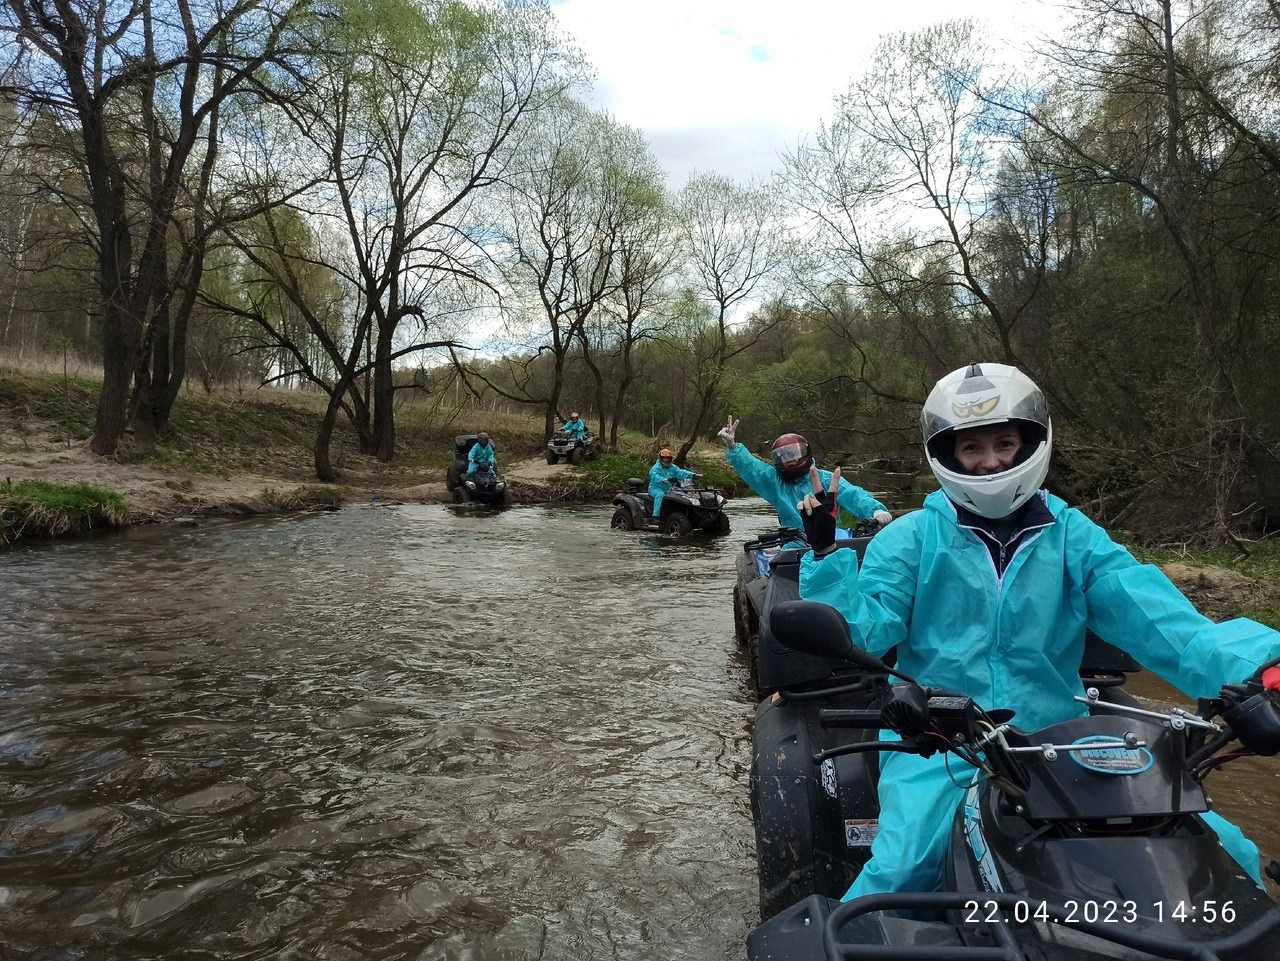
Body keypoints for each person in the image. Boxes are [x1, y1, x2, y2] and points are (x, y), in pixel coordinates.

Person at [796, 362, 1280, 900]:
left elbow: (1164, 622)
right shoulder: (910, 539)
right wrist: (824, 554)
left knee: (1227, 852)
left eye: (1004, 442)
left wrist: (1261, 667)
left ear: (1032, 442)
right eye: (972, 449)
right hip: (940, 740)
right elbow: (865, 627)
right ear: (947, 455)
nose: (991, 461)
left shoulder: (1074, 535)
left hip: (1056, 741)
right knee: (902, 872)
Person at [716, 415, 892, 534]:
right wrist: (733, 447)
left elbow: (854, 495)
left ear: (806, 453)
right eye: (783, 456)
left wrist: (875, 510)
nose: (790, 460)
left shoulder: (825, 478)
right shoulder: (775, 482)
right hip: (794, 544)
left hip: (831, 539)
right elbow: (754, 469)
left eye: (794, 454)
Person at [648, 448, 695, 522]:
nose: (667, 461)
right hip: (655, 488)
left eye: (669, 459)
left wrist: (692, 474)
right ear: (661, 459)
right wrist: (664, 479)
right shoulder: (656, 468)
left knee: (680, 496)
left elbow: (680, 472)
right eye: (665, 459)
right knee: (660, 495)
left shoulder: (673, 467)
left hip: (669, 489)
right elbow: (654, 476)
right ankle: (656, 516)